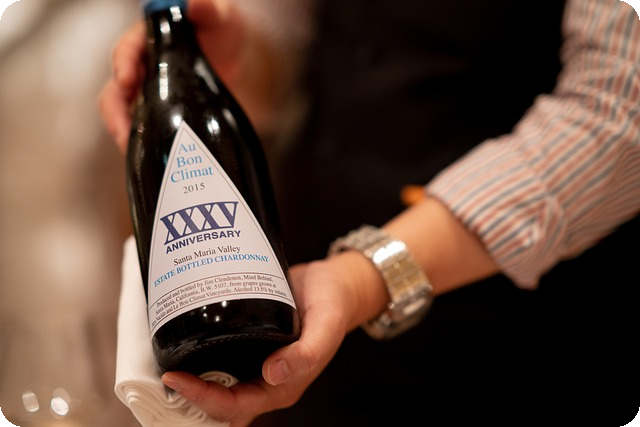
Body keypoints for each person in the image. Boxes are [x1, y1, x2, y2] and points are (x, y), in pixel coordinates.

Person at [99, 0, 640, 425]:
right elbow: (297, 30)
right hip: (309, 306)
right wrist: (245, 56)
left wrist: (362, 278)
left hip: (504, 337)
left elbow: (614, 118)